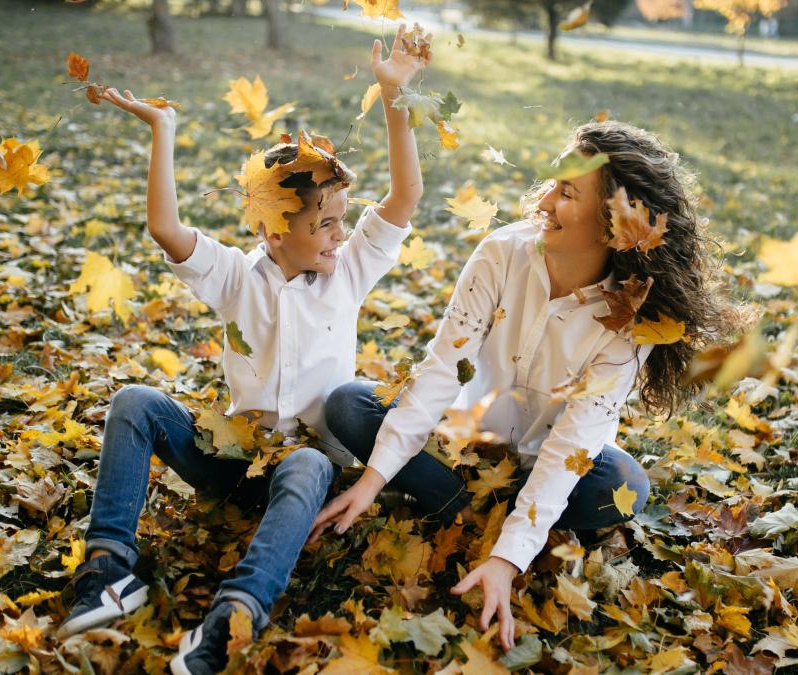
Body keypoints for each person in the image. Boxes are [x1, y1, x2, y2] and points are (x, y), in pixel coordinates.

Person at [56, 25, 431, 675]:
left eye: (341, 220)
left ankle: (234, 613)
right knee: (135, 402)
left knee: (311, 466)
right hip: (233, 459)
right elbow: (165, 228)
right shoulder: (237, 275)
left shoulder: (348, 269)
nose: (339, 235)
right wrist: (162, 131)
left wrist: (394, 97)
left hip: (302, 476)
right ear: (273, 228)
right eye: (323, 224)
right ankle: (109, 569)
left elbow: (404, 198)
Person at [313, 120, 751, 651]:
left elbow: (572, 445)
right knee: (350, 405)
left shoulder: (631, 318)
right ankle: (473, 507)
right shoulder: (501, 254)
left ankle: (483, 516)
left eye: (567, 192)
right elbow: (440, 372)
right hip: (462, 446)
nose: (543, 199)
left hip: (549, 462)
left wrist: (506, 559)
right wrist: (371, 481)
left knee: (624, 487)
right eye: (553, 183)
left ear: (614, 226)